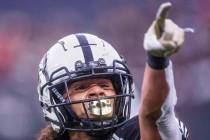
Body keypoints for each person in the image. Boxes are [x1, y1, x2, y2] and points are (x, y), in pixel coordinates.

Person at [37, 2, 189, 140]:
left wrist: (157, 61)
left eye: (105, 85)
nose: (97, 91)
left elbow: (154, 117)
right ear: (54, 100)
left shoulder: (133, 133)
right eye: (81, 87)